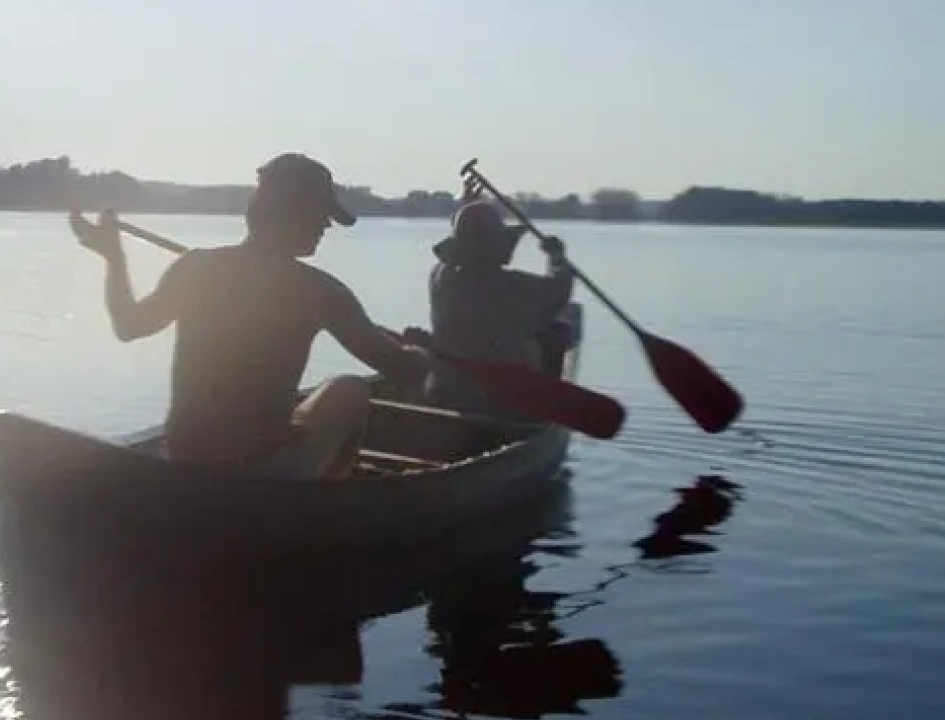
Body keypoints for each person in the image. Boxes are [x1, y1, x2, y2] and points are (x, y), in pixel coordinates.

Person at [68, 153, 433, 478]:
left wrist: (113, 257)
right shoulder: (321, 291)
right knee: (350, 390)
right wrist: (420, 351)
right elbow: (406, 371)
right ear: (296, 214)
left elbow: (128, 326)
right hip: (259, 474)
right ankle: (325, 499)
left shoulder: (195, 267)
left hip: (184, 460)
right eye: (322, 214)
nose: (326, 226)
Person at [421, 197, 575, 419]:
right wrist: (557, 258)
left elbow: (453, 254)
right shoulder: (514, 286)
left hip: (444, 392)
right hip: (500, 403)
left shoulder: (439, 277)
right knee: (558, 333)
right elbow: (559, 291)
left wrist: (466, 211)